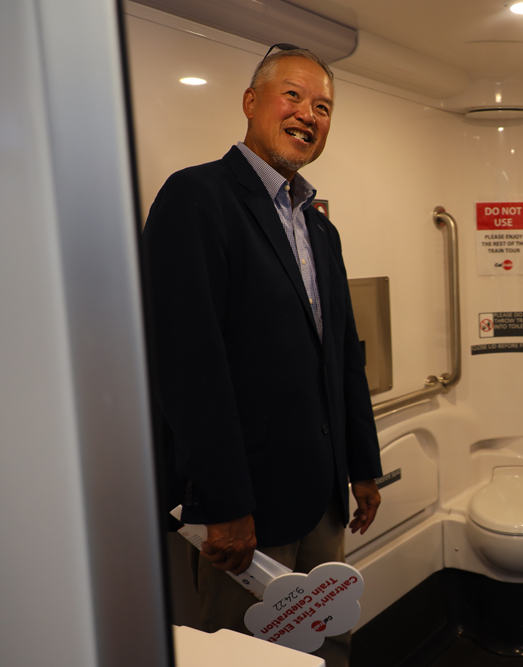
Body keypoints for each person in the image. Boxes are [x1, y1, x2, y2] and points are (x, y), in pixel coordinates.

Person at [142, 45, 382, 665]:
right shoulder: (197, 197)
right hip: (246, 513)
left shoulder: (319, 227)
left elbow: (341, 358)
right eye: (293, 96)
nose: (309, 113)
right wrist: (222, 502)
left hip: (324, 498)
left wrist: (362, 465)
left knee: (326, 644)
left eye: (323, 106)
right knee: (248, 656)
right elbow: (186, 362)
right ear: (251, 103)